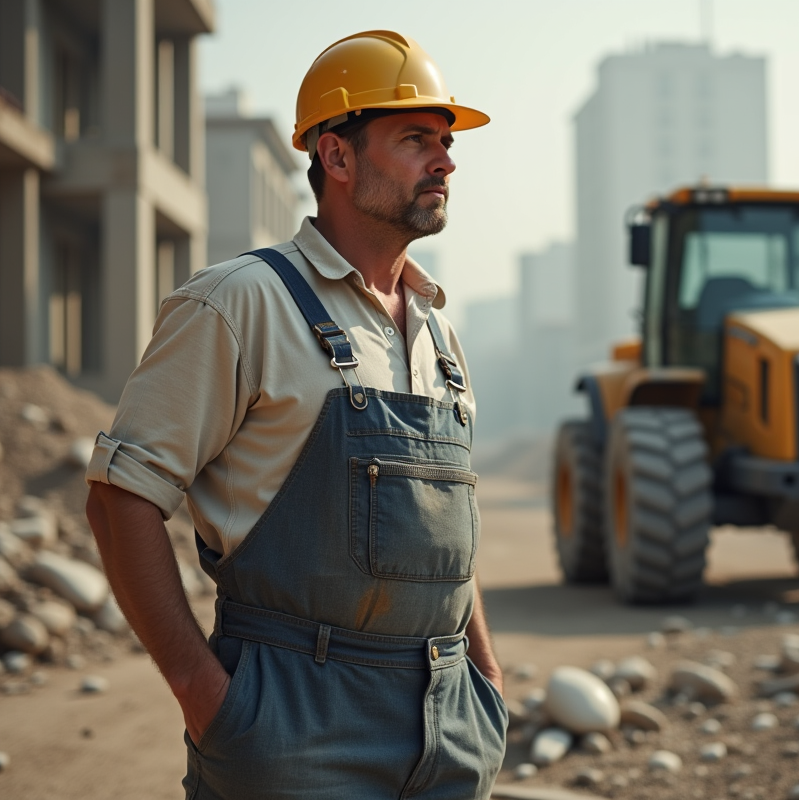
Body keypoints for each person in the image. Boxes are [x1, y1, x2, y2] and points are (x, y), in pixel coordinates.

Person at [85, 30, 505, 799]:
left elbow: (443, 530)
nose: (445, 160)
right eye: (416, 140)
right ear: (336, 157)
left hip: (449, 731)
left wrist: (486, 678)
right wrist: (208, 699)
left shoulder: (438, 331)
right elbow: (120, 497)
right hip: (292, 723)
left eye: (445, 142)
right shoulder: (241, 303)